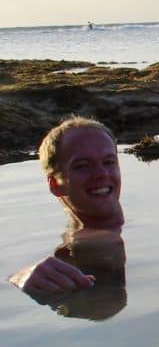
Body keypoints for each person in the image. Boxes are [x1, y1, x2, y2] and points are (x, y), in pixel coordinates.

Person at [9, 116, 126, 319]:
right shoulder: (86, 241)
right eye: (82, 166)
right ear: (55, 184)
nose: (101, 173)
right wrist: (20, 278)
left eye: (109, 162)